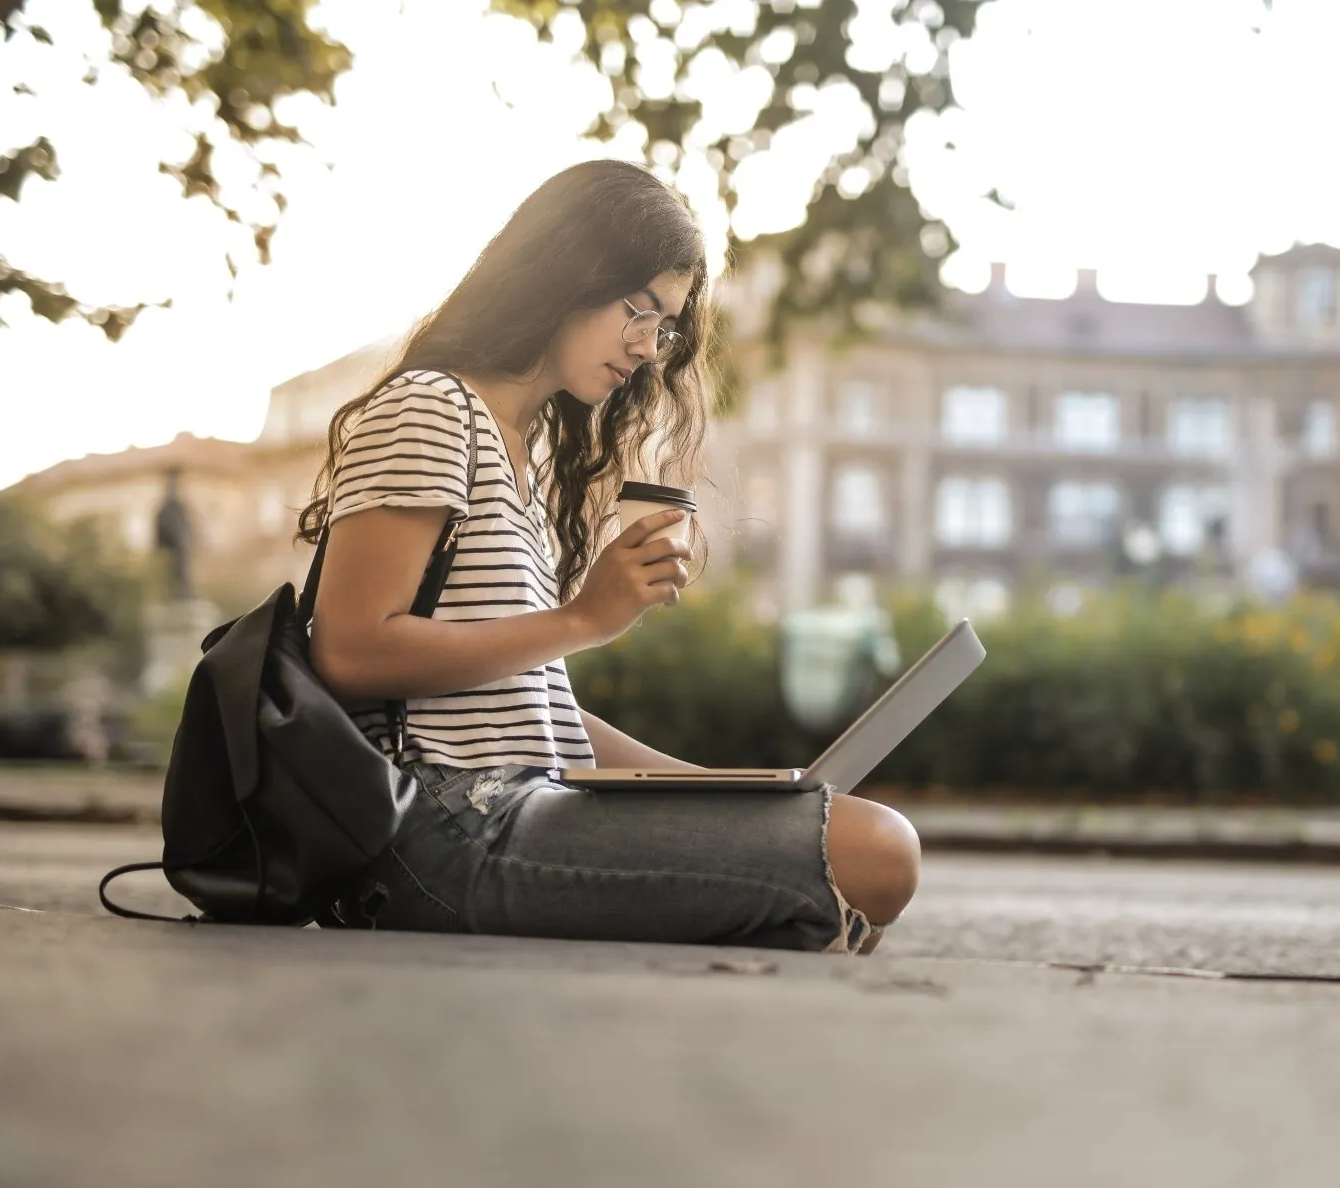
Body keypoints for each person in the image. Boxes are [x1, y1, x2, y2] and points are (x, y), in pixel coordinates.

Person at [299, 159, 918, 955]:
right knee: (875, 852)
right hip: (436, 831)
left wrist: (725, 795)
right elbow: (350, 651)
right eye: (640, 310)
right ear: (566, 270)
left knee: (849, 849)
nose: (649, 348)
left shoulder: (518, 449)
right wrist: (584, 619)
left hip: (507, 807)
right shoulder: (430, 407)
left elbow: (529, 706)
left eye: (666, 327)